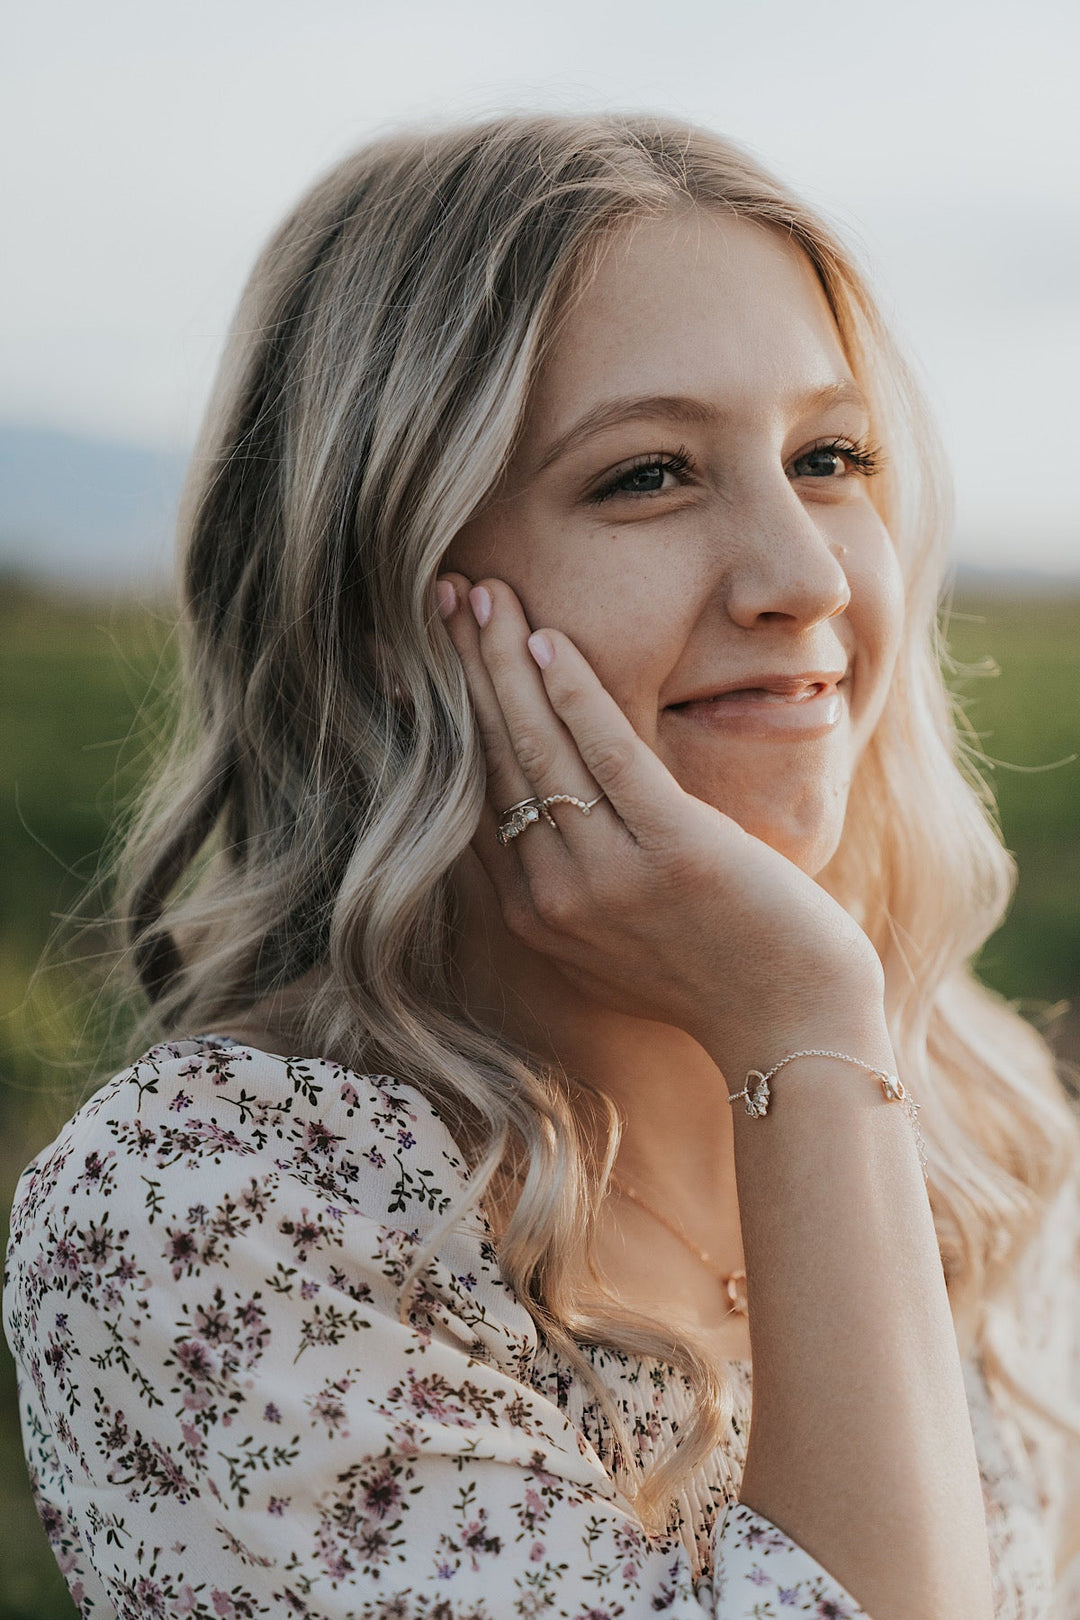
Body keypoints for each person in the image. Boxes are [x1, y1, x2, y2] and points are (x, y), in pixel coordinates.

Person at [4, 113, 1079, 1620]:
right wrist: (803, 1043)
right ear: (381, 598)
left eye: (829, 457)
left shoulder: (976, 1125)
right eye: (647, 476)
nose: (807, 577)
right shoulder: (222, 1215)